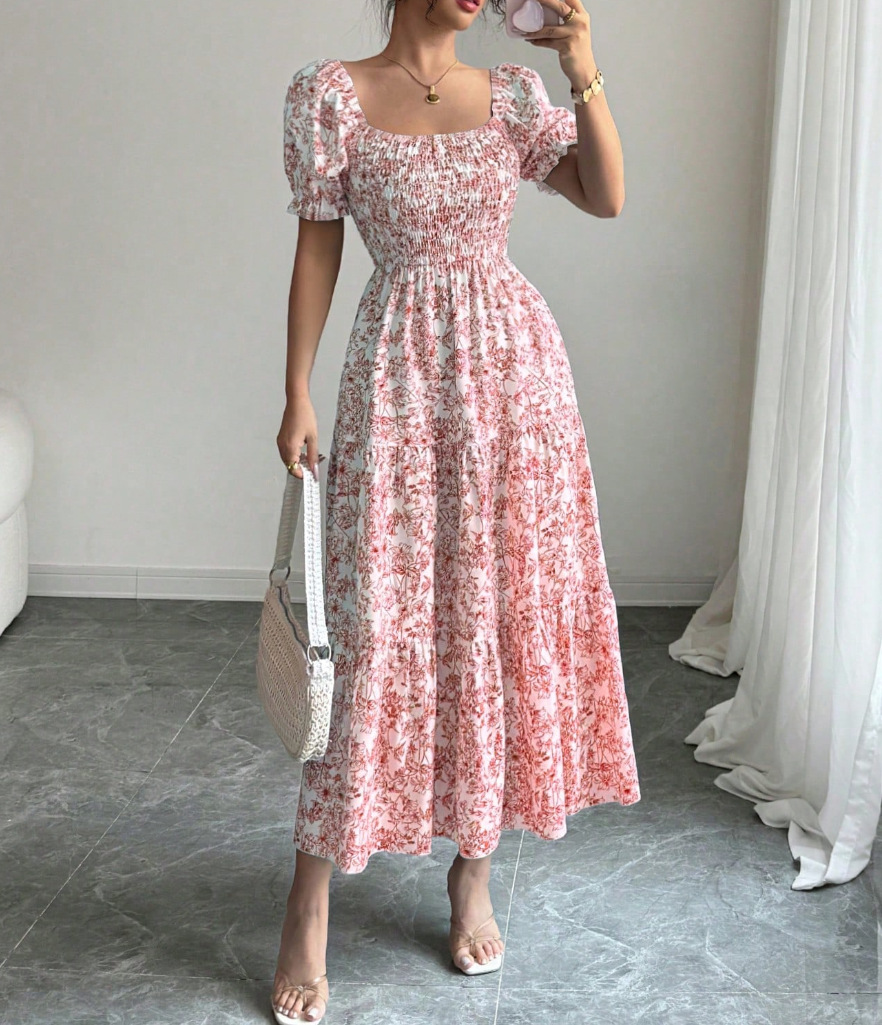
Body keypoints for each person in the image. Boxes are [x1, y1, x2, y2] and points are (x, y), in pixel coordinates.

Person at [272, 0, 640, 1020]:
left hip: (516, 384)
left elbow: (606, 195)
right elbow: (318, 246)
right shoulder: (330, 96)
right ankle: (309, 899)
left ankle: (473, 868)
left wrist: (582, 65)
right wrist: (296, 388)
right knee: (374, 630)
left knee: (500, 617)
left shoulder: (513, 94)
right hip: (397, 378)